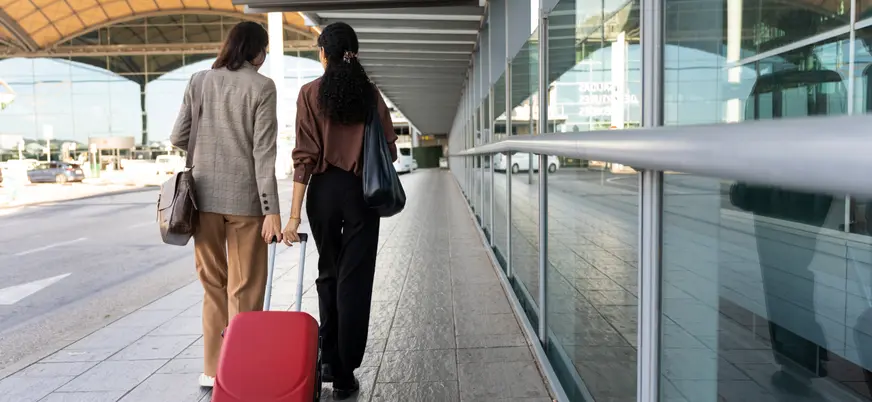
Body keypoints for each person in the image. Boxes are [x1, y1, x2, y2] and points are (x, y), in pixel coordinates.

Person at [282, 21, 397, 400]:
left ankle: (327, 358)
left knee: (327, 271)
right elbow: (391, 150)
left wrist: (294, 215)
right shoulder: (369, 95)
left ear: (322, 54)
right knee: (356, 278)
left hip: (323, 193)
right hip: (363, 193)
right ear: (354, 53)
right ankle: (345, 371)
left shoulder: (308, 93)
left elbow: (304, 159)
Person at [170, 21, 283, 388]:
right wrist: (272, 210)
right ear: (256, 51)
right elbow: (264, 153)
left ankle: (213, 370)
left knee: (213, 285)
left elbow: (178, 136)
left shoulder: (199, 81)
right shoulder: (263, 87)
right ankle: (243, 367)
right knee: (246, 286)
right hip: (247, 202)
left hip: (202, 199)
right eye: (263, 51)